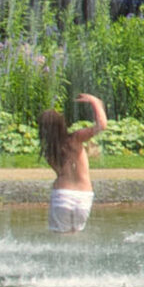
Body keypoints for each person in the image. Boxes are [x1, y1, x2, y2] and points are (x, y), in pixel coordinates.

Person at [39, 94, 107, 232]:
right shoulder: (76, 139)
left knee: (60, 240)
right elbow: (101, 125)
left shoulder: (49, 152)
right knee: (76, 239)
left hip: (62, 195)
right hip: (84, 196)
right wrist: (96, 102)